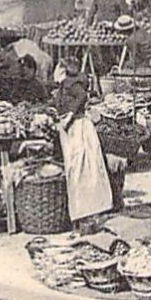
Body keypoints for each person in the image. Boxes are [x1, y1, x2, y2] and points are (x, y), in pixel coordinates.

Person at [54, 77, 113, 223]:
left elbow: (82, 96)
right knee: (77, 169)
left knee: (85, 167)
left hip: (79, 128)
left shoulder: (71, 83)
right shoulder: (64, 85)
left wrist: (70, 114)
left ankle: (93, 209)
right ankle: (82, 211)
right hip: (72, 129)